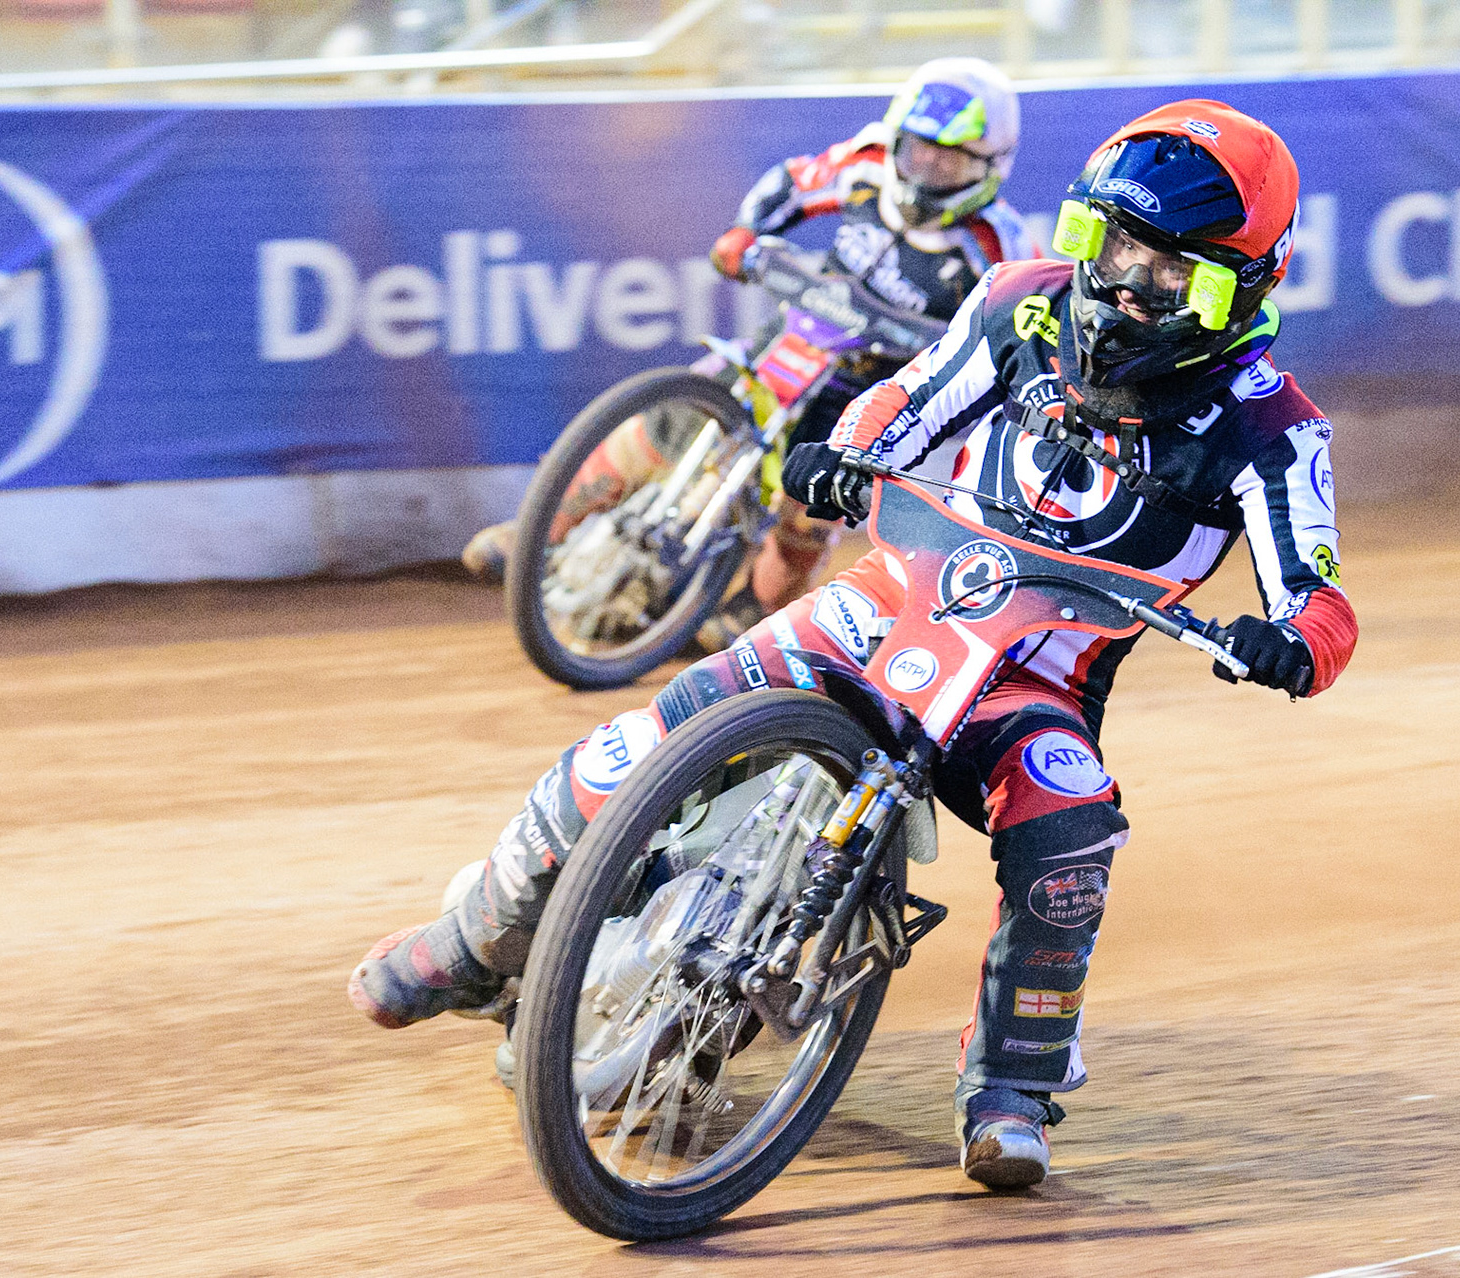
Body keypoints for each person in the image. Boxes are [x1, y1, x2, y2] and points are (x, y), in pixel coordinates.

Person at [354, 99, 1358, 1189]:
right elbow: (904, 403)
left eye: (1169, 274)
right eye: (1111, 246)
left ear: (1244, 286)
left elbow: (1322, 602)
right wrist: (843, 454)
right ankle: (469, 941)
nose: (1124, 287)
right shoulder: (1017, 303)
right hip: (882, 601)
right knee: (644, 739)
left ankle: (1010, 1090)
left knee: (1070, 827)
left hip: (1029, 684)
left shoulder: (1276, 430)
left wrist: (1289, 643)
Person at [460, 56, 1037, 652]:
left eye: (950, 158)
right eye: (918, 150)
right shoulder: (864, 167)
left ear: (991, 166)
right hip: (794, 338)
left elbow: (1015, 337)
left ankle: (758, 606)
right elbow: (791, 182)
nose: (929, 167)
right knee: (664, 424)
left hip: (874, 389)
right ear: (896, 142)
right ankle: (539, 532)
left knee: (810, 504)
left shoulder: (999, 245)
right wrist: (745, 233)